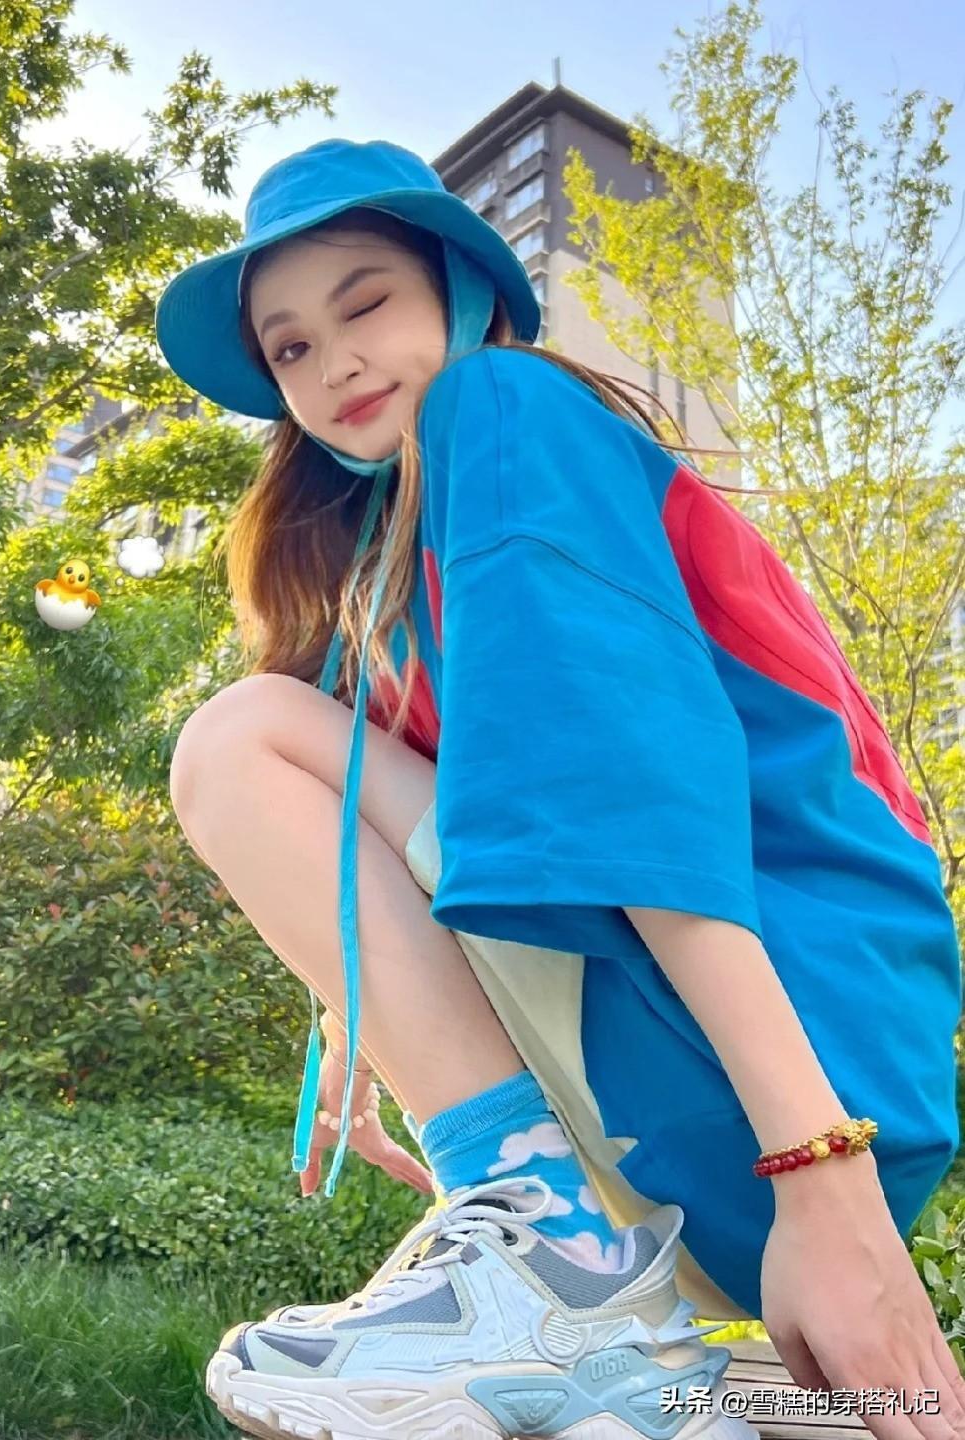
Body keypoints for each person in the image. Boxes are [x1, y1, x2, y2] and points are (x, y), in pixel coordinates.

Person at [157, 137, 965, 1440]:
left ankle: (554, 1251)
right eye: (291, 347)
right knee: (269, 721)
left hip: (797, 1035)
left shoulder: (505, 409)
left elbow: (635, 792)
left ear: (463, 291)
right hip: (705, 1124)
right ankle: (598, 1315)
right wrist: (355, 1022)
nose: (335, 362)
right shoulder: (389, 582)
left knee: (239, 735)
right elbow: (422, 830)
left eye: (366, 303)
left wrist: (824, 1173)